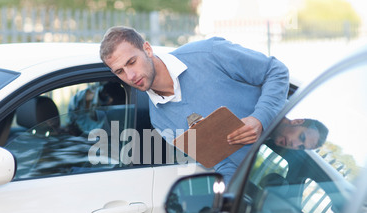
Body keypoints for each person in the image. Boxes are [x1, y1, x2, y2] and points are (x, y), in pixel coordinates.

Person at [100, 26, 289, 183]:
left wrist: (259, 118)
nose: (130, 76)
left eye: (132, 62)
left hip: (296, 142)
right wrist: (216, 202)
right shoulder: (160, 120)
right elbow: (222, 161)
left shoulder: (209, 52)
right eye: (120, 71)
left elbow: (276, 72)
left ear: (147, 49)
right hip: (266, 184)